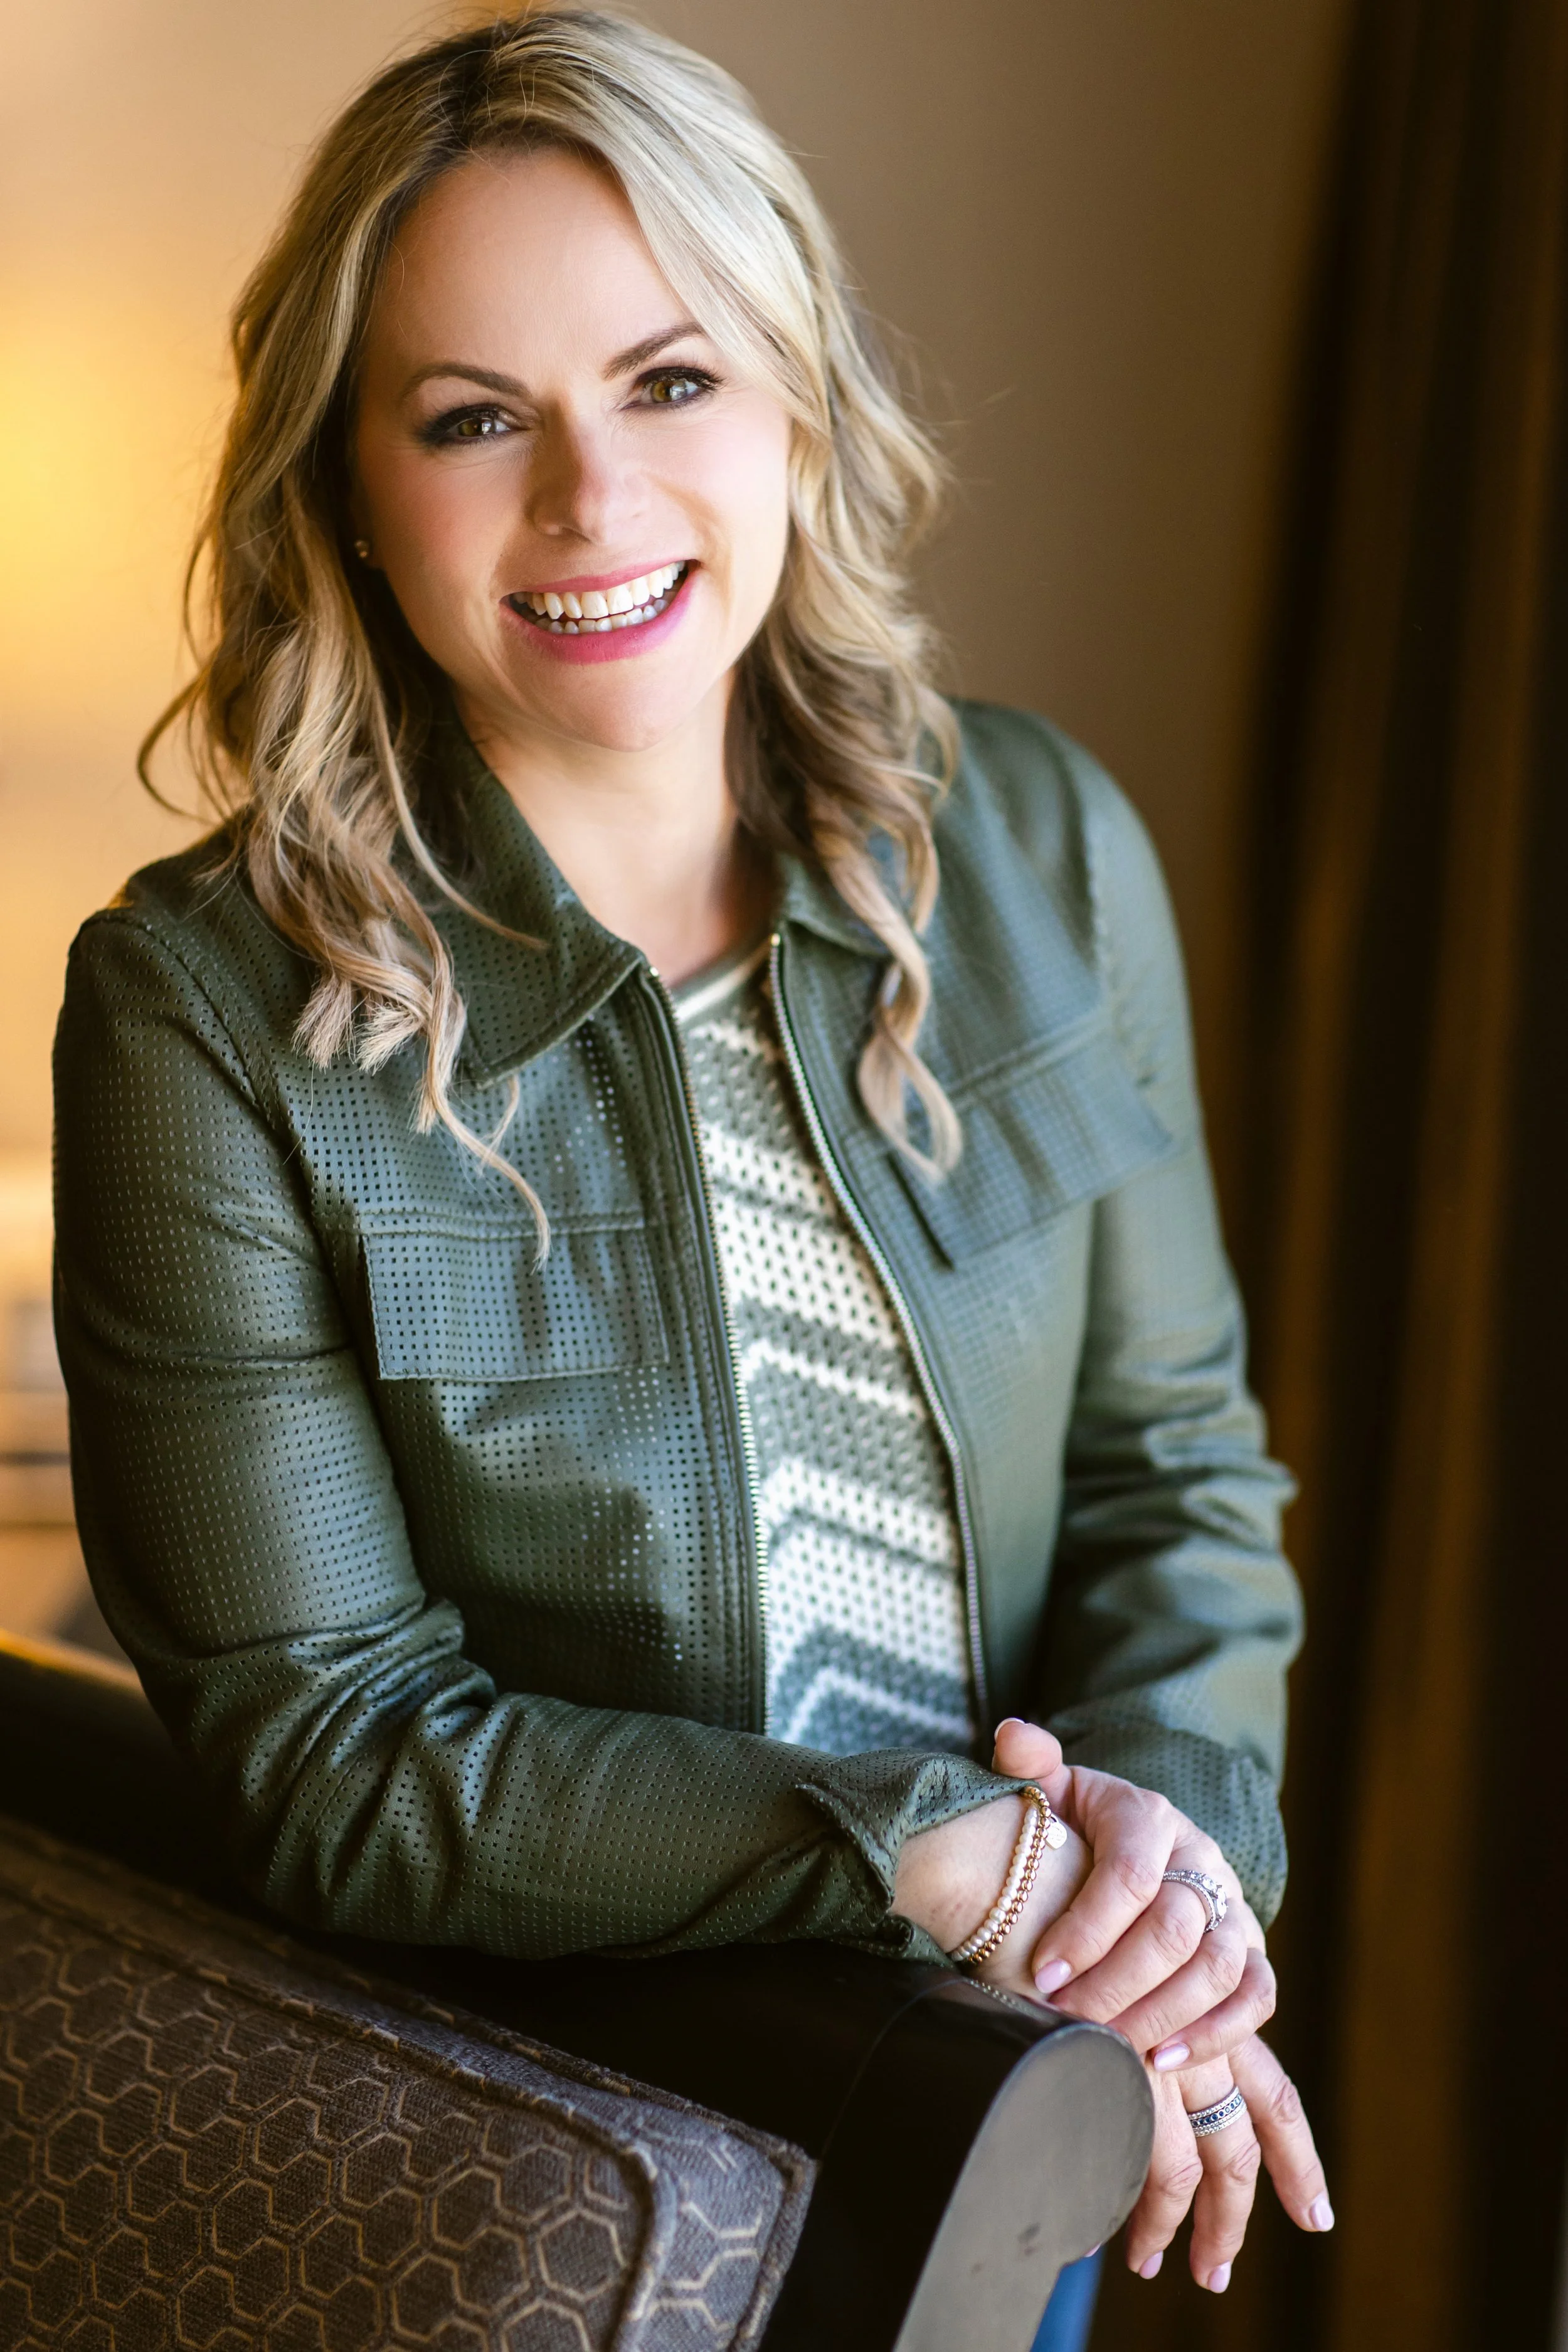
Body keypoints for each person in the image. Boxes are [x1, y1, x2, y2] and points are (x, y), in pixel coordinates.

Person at [51, 11, 1331, 2341]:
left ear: (795, 401)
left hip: (1022, 2104)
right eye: (470, 418)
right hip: (544, 2160)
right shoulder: (200, 1011)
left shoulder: (1035, 843)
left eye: (668, 380)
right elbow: (331, 1753)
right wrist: (931, 1850)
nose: (590, 502)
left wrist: (1158, 1898)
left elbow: (1174, 1480)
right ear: (340, 483)